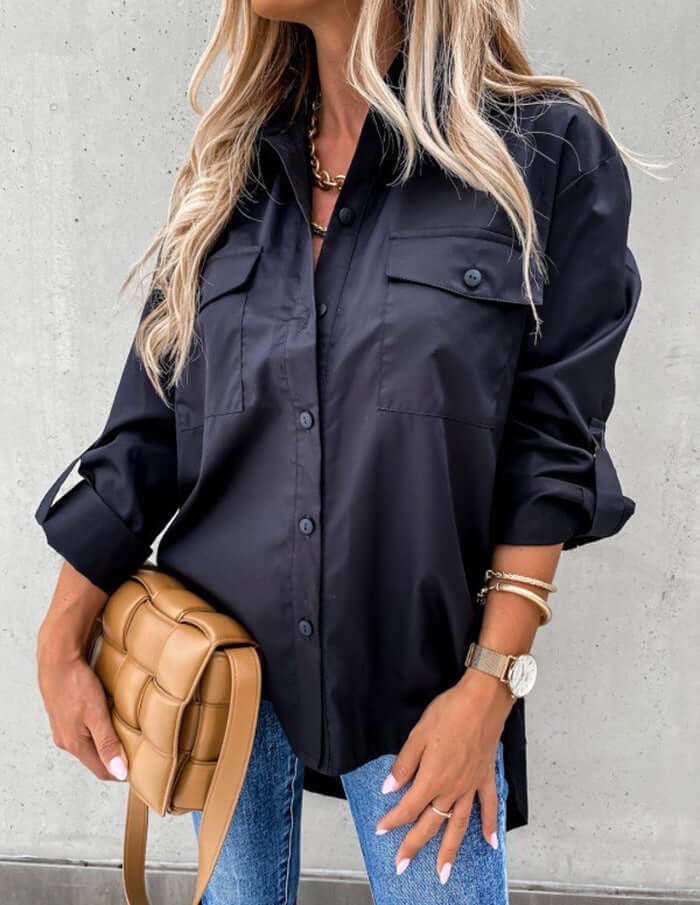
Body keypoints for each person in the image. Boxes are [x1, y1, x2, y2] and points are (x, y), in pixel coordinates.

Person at [34, 0, 642, 902]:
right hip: (221, 680)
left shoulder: (546, 154)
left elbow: (550, 451)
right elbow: (150, 430)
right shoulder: (235, 171)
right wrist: (59, 640)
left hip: (423, 681)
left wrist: (491, 684)